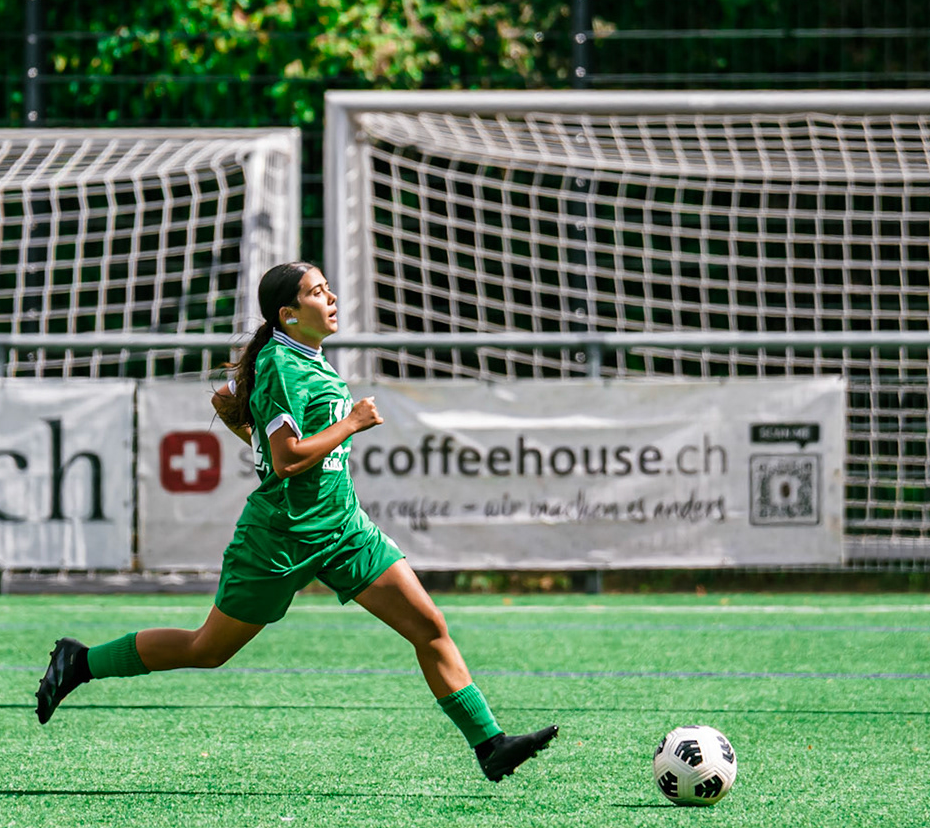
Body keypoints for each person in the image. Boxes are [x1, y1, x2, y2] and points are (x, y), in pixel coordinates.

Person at [34, 261, 558, 782]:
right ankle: (81, 663)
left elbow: (228, 401)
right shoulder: (283, 365)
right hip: (279, 537)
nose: (331, 298)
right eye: (318, 292)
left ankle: (490, 745)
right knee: (207, 649)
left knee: (429, 627)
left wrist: (261, 437)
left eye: (328, 288)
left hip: (344, 529)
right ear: (289, 314)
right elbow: (287, 461)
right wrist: (351, 423)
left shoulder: (306, 356)